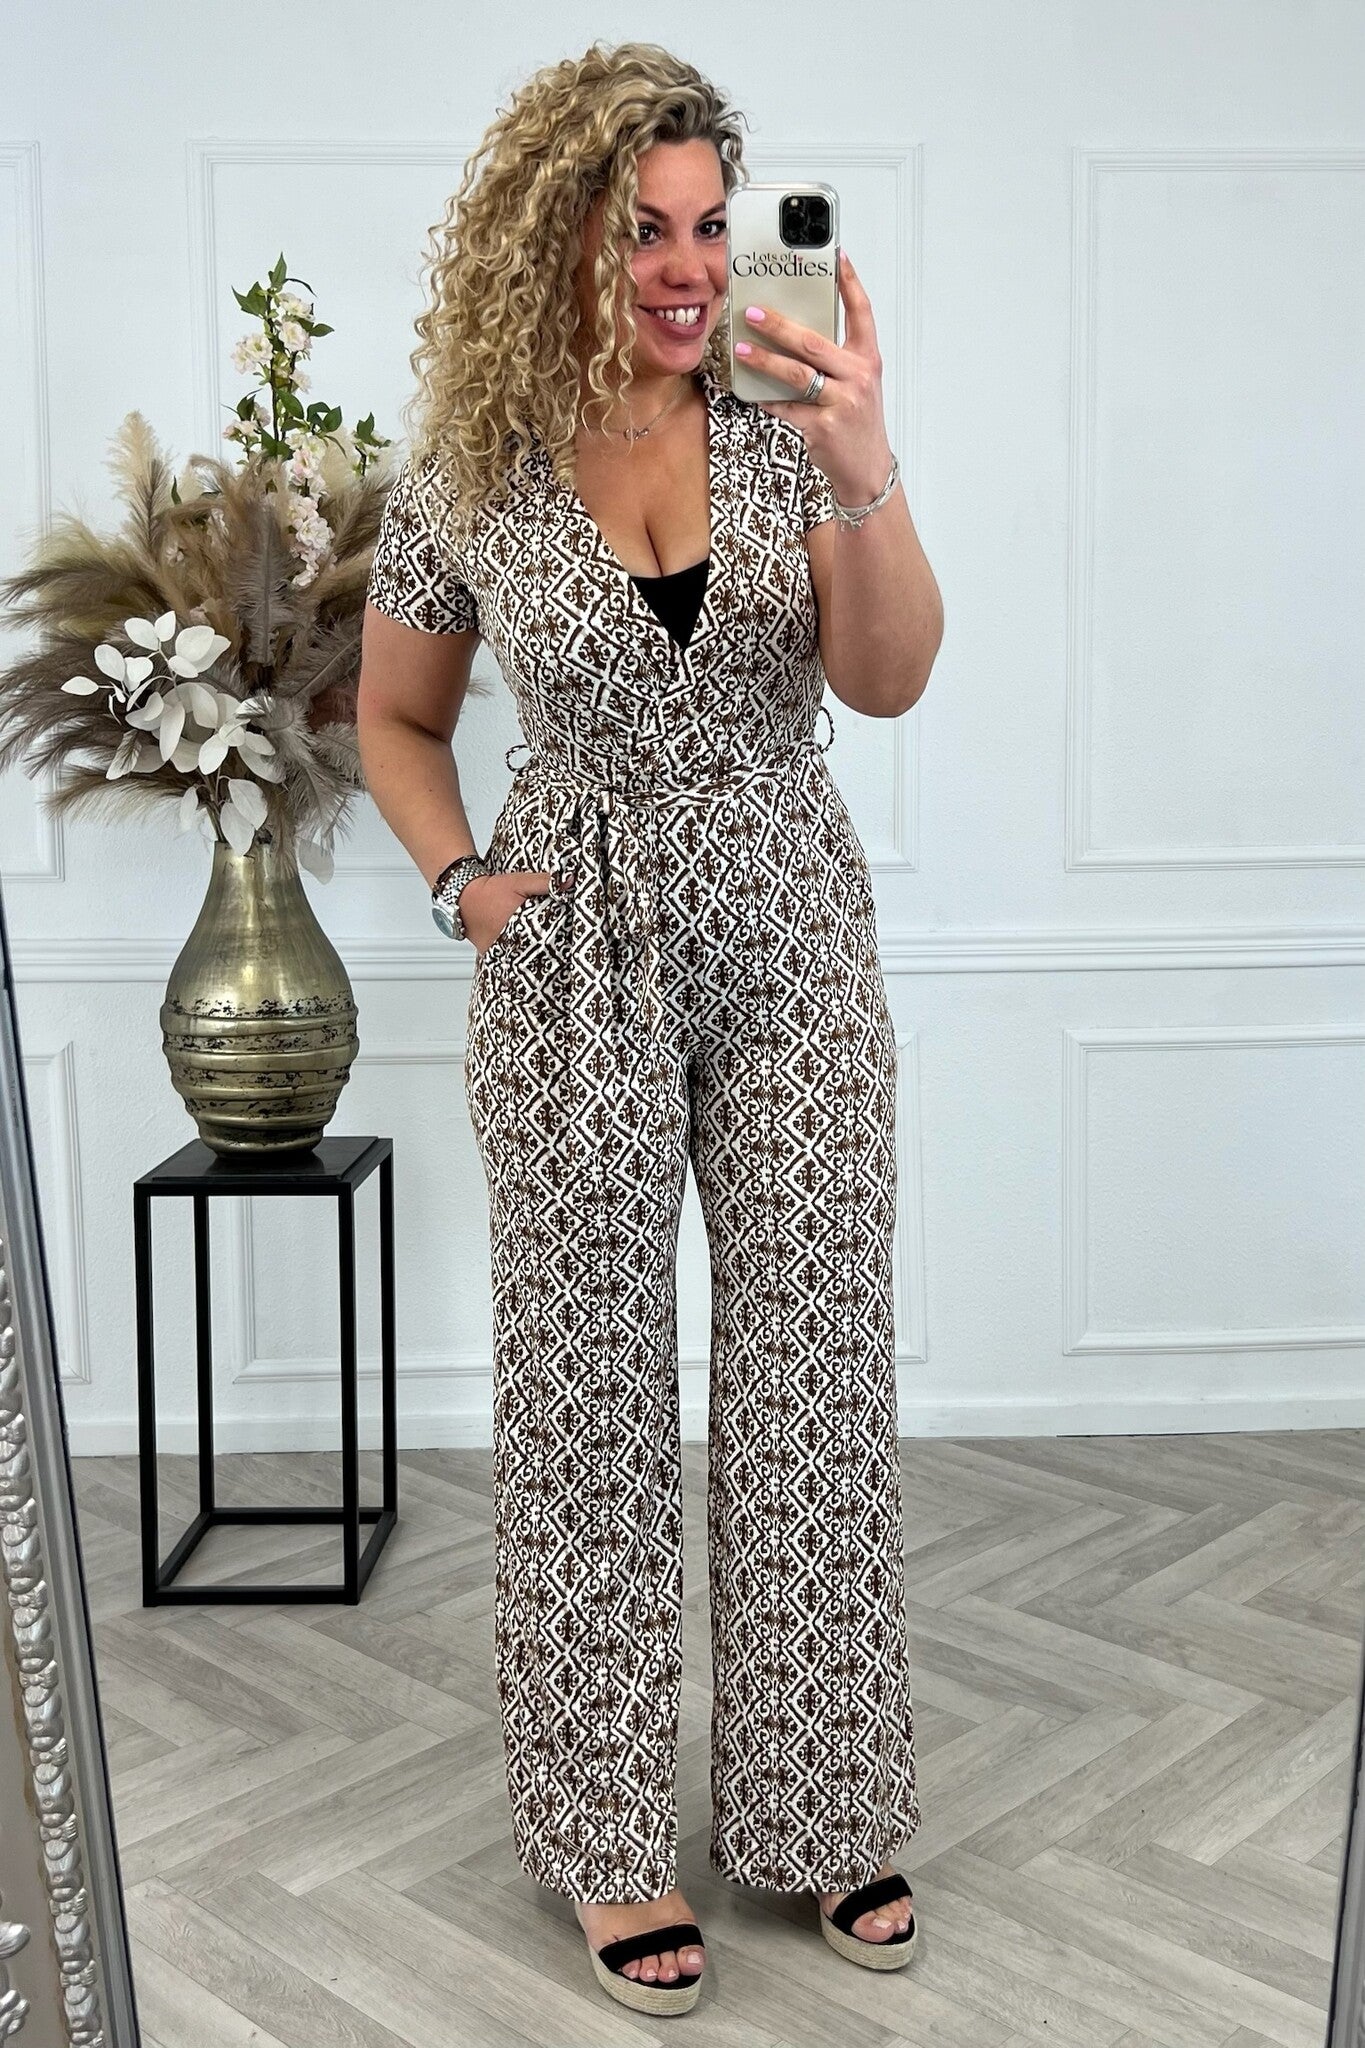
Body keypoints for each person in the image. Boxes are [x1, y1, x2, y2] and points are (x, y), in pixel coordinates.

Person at [358, 39, 943, 2018]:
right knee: (585, 1396)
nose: (688, 267)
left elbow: (885, 681)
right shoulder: (470, 461)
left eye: (708, 225)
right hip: (570, 947)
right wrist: (461, 883)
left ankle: (823, 1803)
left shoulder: (786, 416)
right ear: (558, 242)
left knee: (811, 1368)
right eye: (641, 232)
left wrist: (863, 464)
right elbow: (395, 716)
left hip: (789, 925)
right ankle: (604, 1839)